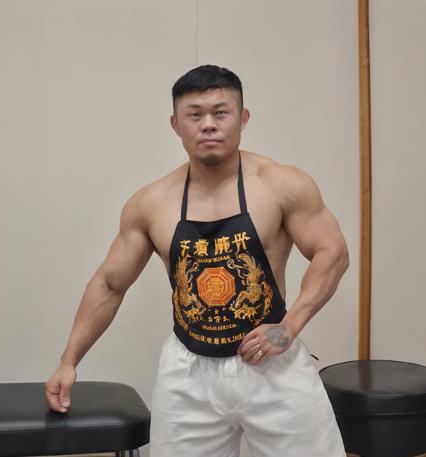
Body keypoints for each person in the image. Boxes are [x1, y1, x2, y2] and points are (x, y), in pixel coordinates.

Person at [45, 64, 349, 456]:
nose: (209, 125)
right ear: (175, 124)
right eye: (195, 114)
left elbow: (333, 253)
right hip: (189, 372)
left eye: (221, 113)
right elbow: (109, 284)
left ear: (243, 118)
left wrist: (288, 327)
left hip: (273, 364)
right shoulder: (151, 203)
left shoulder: (281, 185)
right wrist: (69, 360)